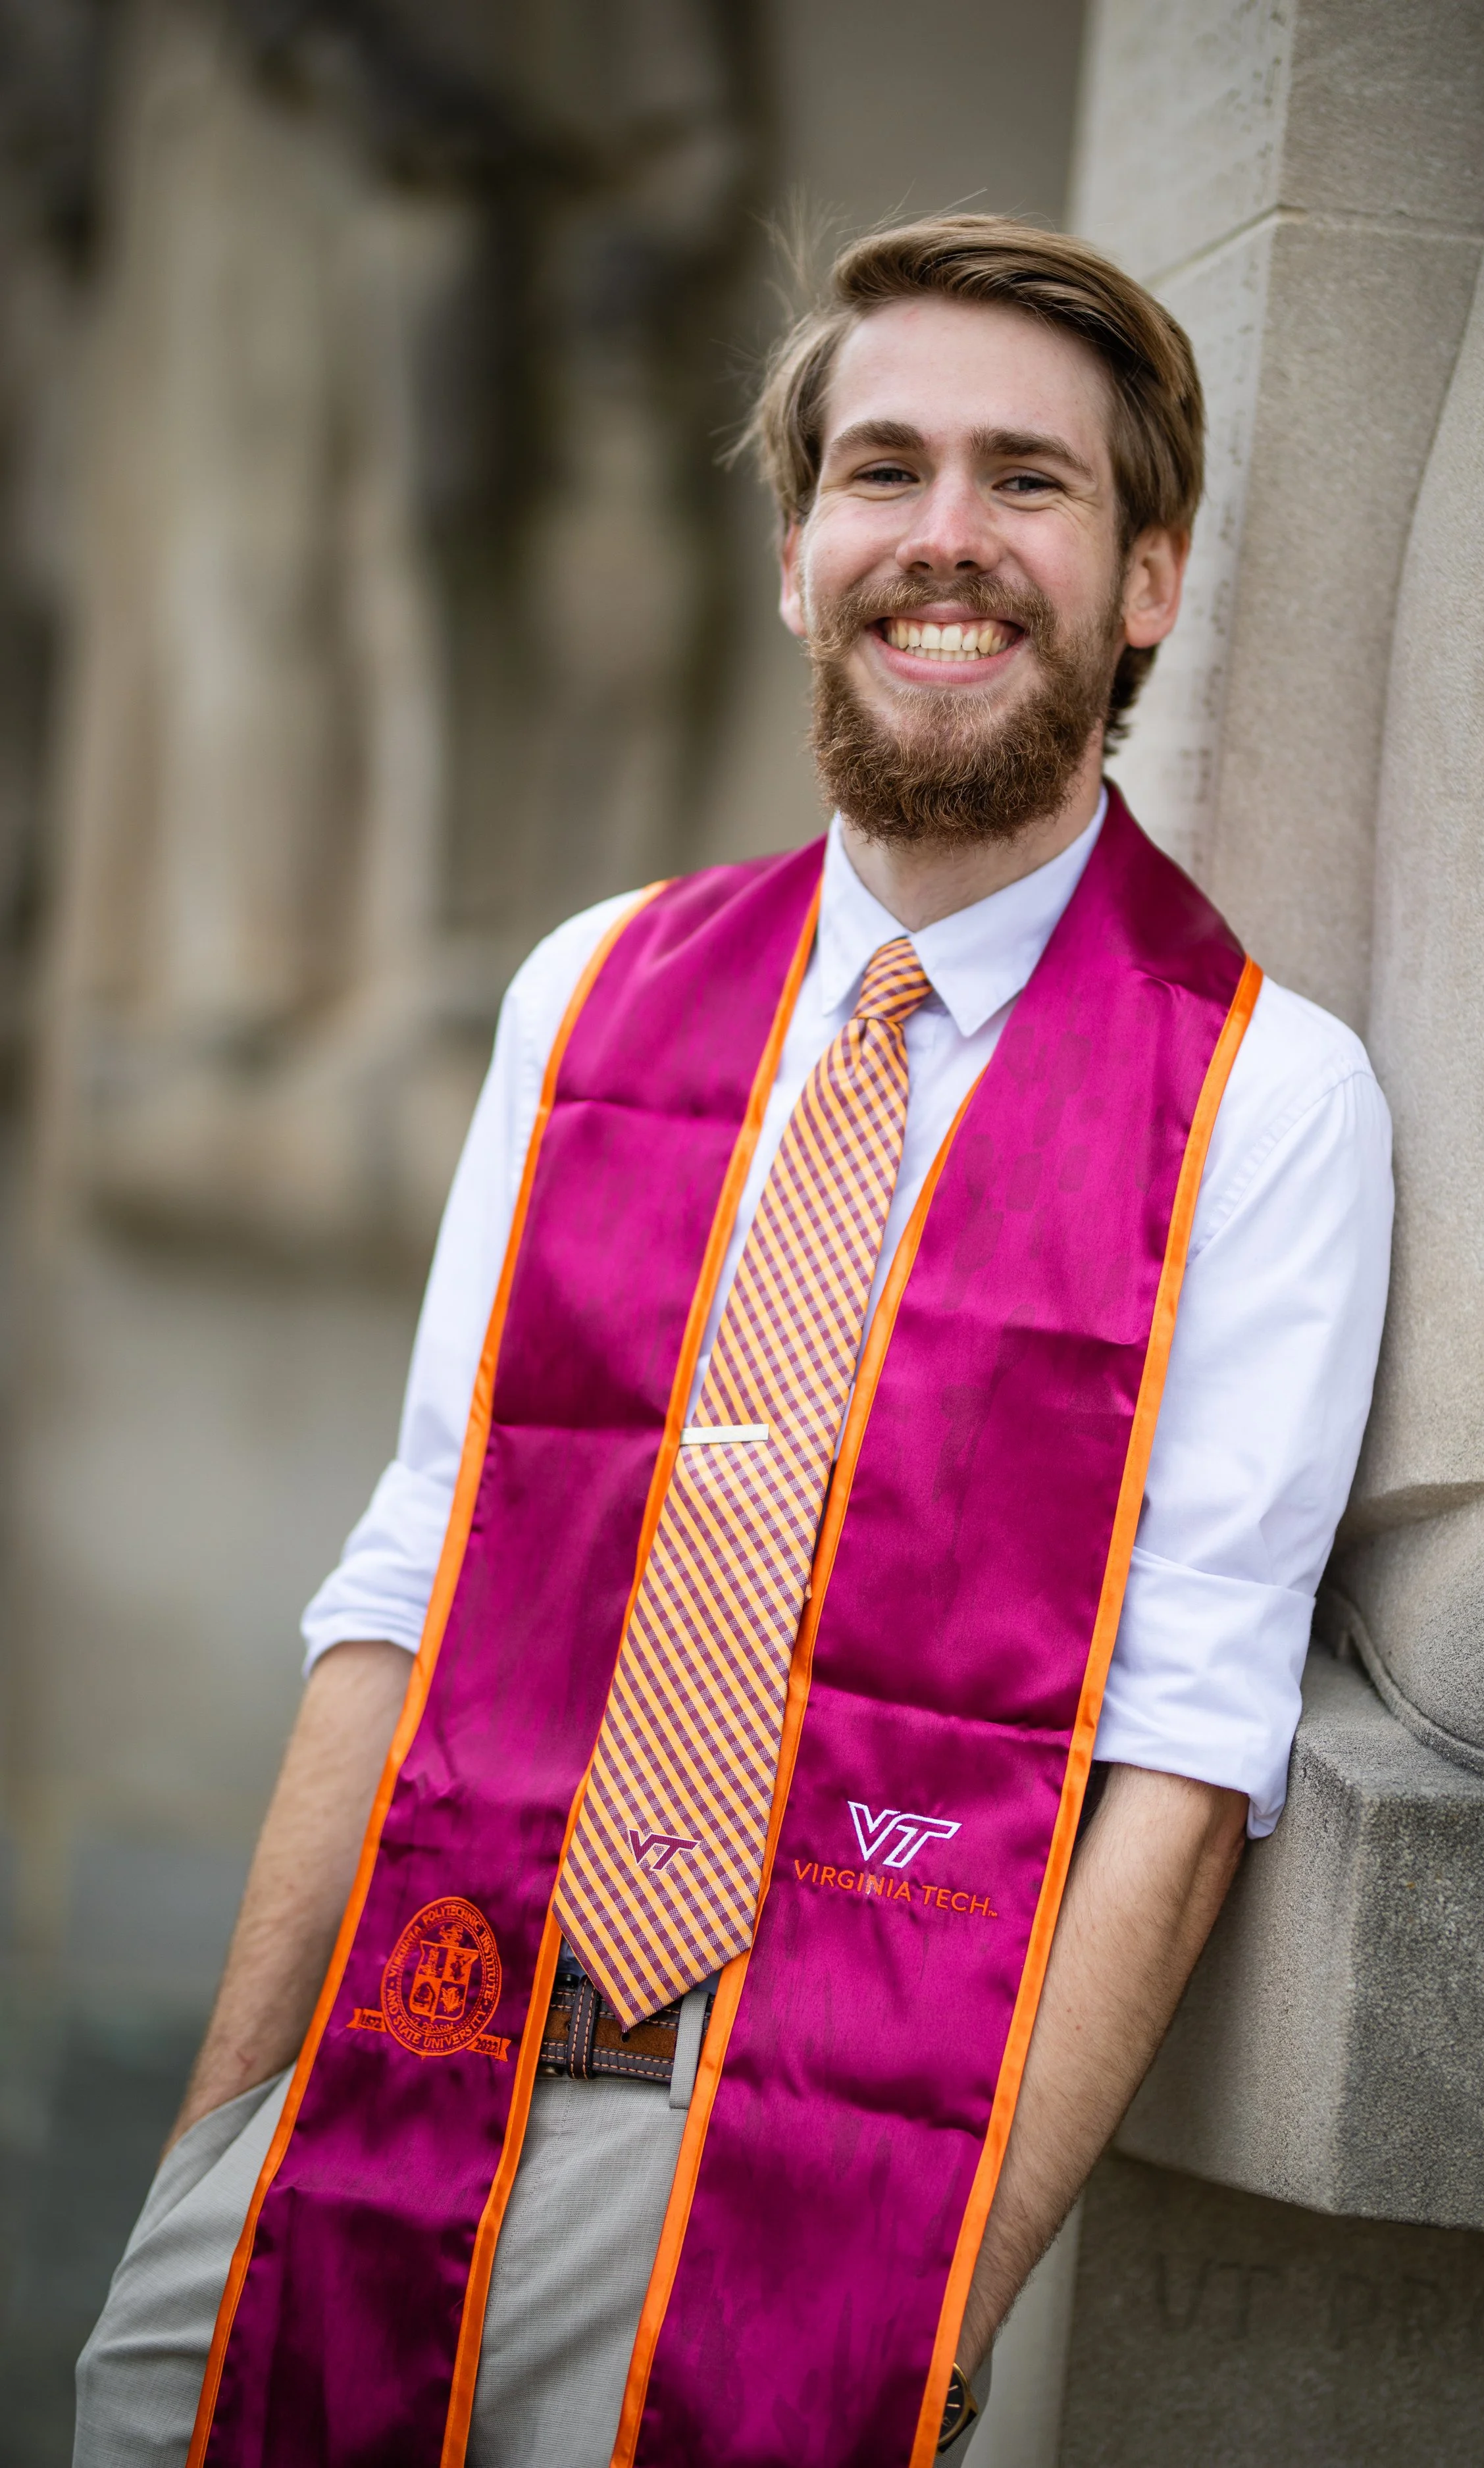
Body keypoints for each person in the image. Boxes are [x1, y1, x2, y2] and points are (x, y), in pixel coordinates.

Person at [75, 216, 1391, 2468]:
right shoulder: (587, 992)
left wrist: (934, 2315)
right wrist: (214, 2143)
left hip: (815, 2166)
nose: (942, 541)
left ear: (1146, 579)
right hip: (394, 2059)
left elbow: (1185, 1765)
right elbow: (410, 1571)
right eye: (881, 472)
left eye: (1029, 481)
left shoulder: (1262, 1098)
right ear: (796, 555)